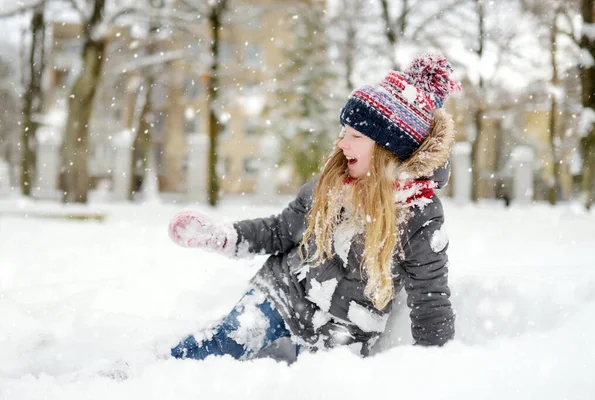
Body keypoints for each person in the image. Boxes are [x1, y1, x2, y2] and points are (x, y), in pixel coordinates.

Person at [168, 53, 460, 362]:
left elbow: (431, 302)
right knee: (222, 345)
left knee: (317, 386)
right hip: (283, 292)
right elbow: (279, 231)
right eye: (344, 132)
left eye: (356, 135)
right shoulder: (332, 184)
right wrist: (224, 236)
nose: (343, 144)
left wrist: (435, 370)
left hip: (345, 329)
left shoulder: (419, 217)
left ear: (389, 149)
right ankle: (158, 369)